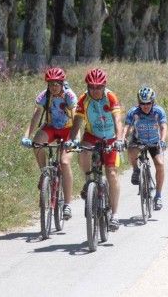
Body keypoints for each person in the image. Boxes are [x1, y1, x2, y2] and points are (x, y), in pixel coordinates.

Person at [65, 68, 124, 231]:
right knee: (83, 151)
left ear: (104, 86)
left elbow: (118, 120)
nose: (95, 90)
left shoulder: (110, 97)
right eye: (92, 87)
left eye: (99, 87)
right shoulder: (84, 99)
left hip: (110, 137)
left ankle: (115, 215)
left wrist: (119, 140)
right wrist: (71, 140)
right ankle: (88, 180)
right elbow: (77, 120)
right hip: (92, 135)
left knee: (111, 172)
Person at [21, 67, 78, 220]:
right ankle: (44, 172)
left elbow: (77, 120)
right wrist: (26, 136)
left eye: (56, 84)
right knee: (36, 144)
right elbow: (36, 117)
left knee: (64, 162)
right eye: (50, 84)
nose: (53, 87)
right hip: (51, 128)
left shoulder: (69, 96)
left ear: (62, 83)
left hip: (68, 130)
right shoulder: (44, 95)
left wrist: (75, 140)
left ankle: (67, 204)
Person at [123, 87, 168, 211]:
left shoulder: (158, 111)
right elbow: (126, 127)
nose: (145, 106)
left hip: (154, 142)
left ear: (152, 102)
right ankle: (136, 170)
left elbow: (164, 127)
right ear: (139, 103)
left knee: (159, 164)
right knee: (131, 151)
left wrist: (163, 141)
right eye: (142, 103)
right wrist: (122, 139)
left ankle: (158, 196)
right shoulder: (134, 112)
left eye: (148, 103)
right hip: (139, 140)